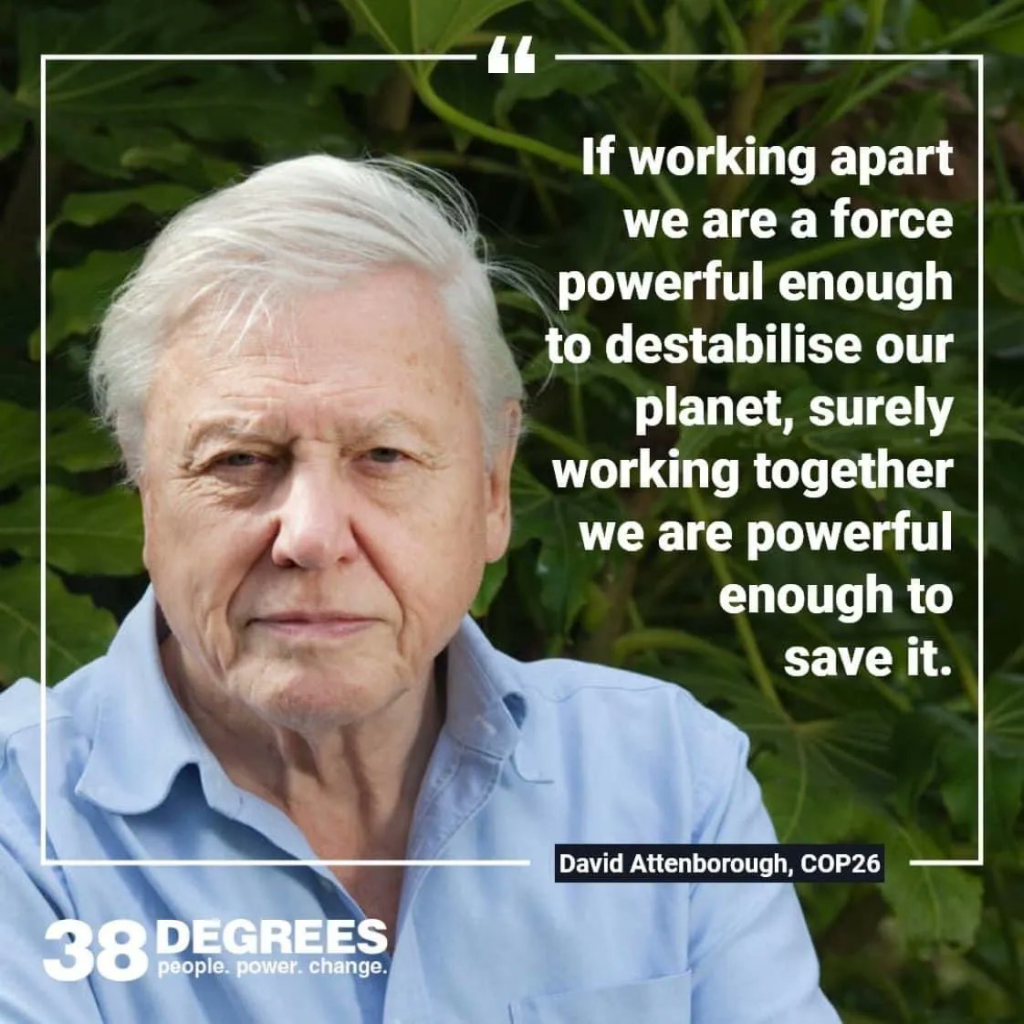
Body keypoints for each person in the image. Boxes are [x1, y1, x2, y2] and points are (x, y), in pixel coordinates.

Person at [0, 155, 840, 1023]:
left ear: (492, 489)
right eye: (239, 459)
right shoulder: (21, 832)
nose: (312, 536)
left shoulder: (669, 782)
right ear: (145, 493)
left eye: (385, 456)